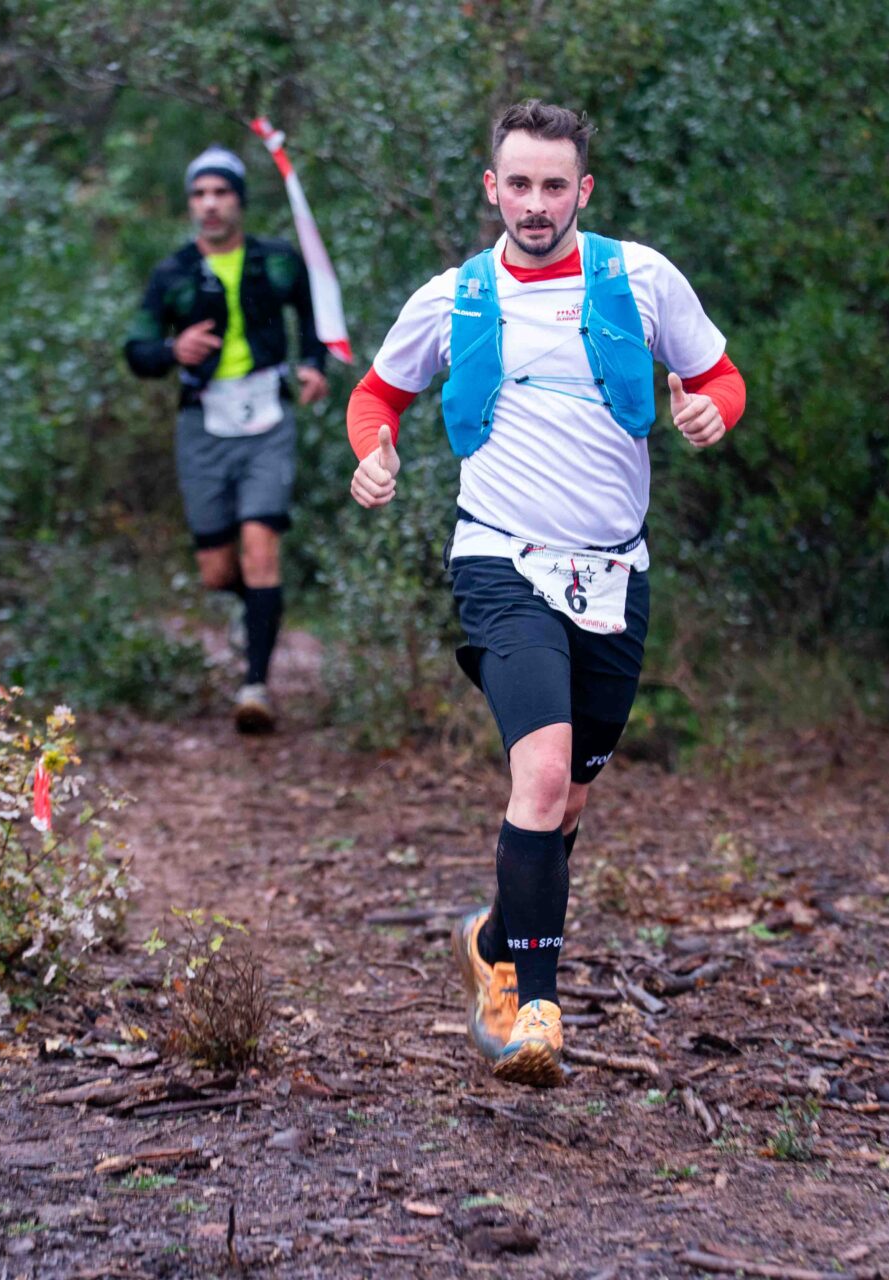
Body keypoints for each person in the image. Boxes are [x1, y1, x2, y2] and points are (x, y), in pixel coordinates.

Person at [345, 101, 747, 1086]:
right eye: (518, 184)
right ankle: (532, 1010)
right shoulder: (453, 297)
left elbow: (720, 375)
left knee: (566, 799)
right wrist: (374, 453)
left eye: (553, 186)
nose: (535, 203)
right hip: (500, 560)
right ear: (492, 187)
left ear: (583, 191)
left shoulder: (640, 279)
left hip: (613, 572)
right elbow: (376, 395)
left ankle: (493, 938)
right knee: (540, 774)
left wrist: (711, 413)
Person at [125, 144, 330, 732]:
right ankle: (251, 611)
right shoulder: (173, 274)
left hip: (268, 417)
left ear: (239, 200)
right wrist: (173, 349)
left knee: (261, 548)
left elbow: (314, 307)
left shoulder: (277, 261)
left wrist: (313, 362)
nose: (210, 204)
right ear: (190, 204)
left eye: (220, 193)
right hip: (204, 424)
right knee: (218, 571)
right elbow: (136, 351)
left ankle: (255, 686)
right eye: (200, 194)